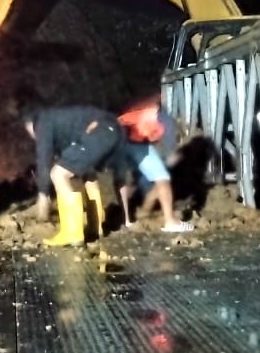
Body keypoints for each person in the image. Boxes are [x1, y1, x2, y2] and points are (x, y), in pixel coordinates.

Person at [24, 106, 126, 247]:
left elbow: (44, 159)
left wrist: (43, 194)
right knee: (87, 172)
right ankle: (95, 227)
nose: (34, 137)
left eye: (31, 132)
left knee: (58, 174)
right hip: (113, 131)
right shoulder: (62, 123)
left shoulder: (43, 122)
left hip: (101, 129)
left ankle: (72, 233)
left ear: (31, 124)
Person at [115, 99, 193, 232]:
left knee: (120, 178)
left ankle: (127, 220)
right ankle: (170, 222)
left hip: (116, 140)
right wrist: (172, 156)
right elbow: (168, 154)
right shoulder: (165, 120)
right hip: (136, 143)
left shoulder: (135, 114)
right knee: (162, 177)